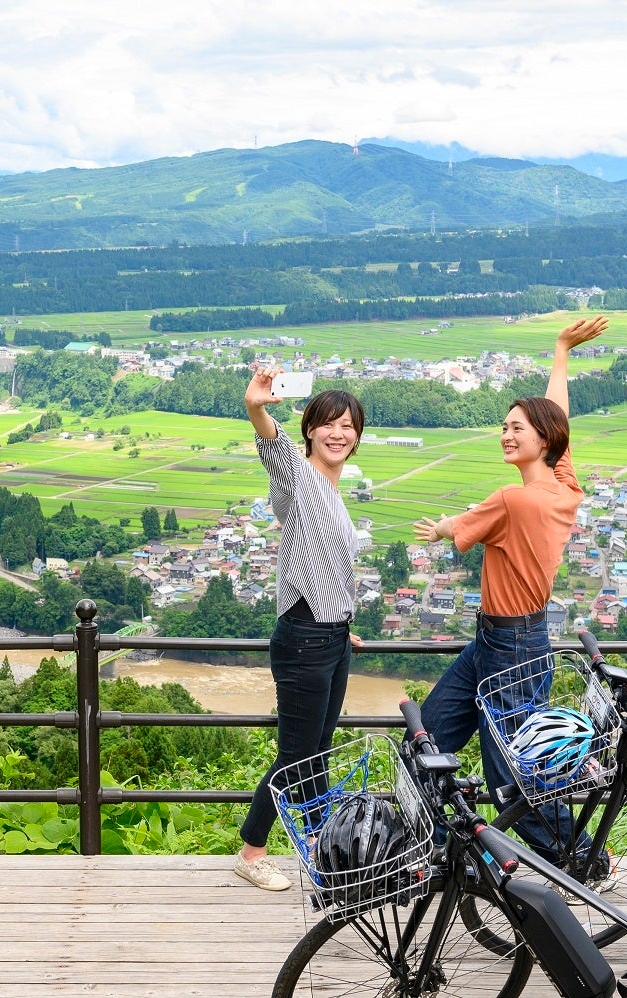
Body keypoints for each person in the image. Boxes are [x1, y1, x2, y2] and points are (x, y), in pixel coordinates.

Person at [412, 315, 608, 861]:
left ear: (543, 441)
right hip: (506, 642)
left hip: (510, 647)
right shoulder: (564, 489)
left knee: (514, 780)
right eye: (505, 425)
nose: (506, 433)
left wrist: (445, 527)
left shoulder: (512, 499)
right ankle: (429, 847)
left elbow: (462, 526)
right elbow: (558, 415)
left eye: (516, 428)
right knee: (428, 738)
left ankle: (579, 860)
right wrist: (562, 351)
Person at [234, 369, 366, 891]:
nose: (339, 433)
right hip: (304, 638)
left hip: (331, 636)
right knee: (295, 757)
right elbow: (274, 447)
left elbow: (330, 567)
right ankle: (252, 852)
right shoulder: (299, 478)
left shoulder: (334, 491)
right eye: (329, 424)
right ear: (310, 429)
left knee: (319, 749)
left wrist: (342, 624)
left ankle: (316, 843)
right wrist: (256, 407)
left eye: (349, 426)